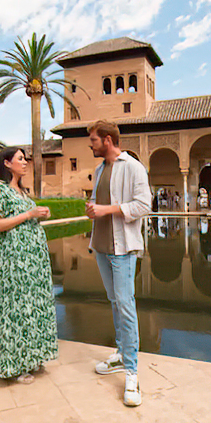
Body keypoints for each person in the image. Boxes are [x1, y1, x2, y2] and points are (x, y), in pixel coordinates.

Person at [85, 120, 152, 407]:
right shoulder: (100, 169)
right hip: (101, 247)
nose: (91, 144)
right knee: (115, 302)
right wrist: (92, 209)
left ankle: (133, 374)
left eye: (94, 140)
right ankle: (121, 355)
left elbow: (144, 206)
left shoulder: (133, 167)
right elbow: (96, 201)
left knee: (126, 304)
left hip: (122, 249)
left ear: (108, 140)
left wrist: (108, 209)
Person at [0, 147, 58, 384]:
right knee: (16, 308)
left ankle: (32, 358)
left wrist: (38, 214)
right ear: (6, 163)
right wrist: (29, 214)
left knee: (32, 306)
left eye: (25, 159)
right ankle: (14, 365)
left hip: (33, 261)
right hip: (15, 259)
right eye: (20, 159)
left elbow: (26, 214)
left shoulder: (22, 191)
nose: (25, 163)